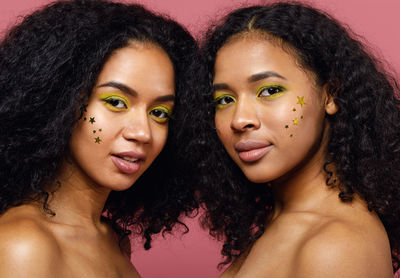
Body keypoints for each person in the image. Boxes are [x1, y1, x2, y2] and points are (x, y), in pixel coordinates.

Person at [195, 2, 400, 277]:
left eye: (269, 91)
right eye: (225, 99)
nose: (239, 119)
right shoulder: (284, 220)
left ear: (330, 95)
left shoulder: (336, 246)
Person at [0, 0, 198, 277]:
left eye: (159, 112)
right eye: (116, 102)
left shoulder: (113, 240)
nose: (142, 132)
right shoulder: (23, 245)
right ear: (60, 102)